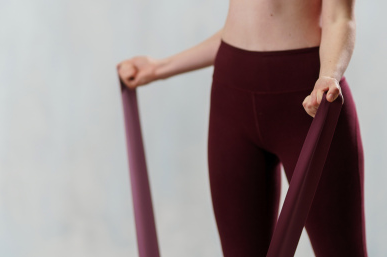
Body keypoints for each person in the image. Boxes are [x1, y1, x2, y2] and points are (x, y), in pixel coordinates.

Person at [116, 0, 367, 256]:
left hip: (311, 98)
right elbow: (244, 29)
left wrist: (328, 75)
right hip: (232, 96)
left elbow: (339, 17)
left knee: (342, 251)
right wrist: (160, 67)